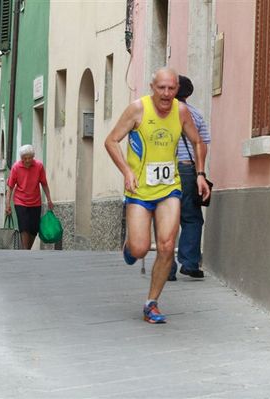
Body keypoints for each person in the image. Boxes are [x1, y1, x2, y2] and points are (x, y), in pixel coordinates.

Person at [104, 67, 211, 324]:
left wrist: (199, 173)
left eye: (171, 89)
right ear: (152, 87)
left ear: (177, 90)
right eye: (161, 88)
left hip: (169, 188)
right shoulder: (137, 109)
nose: (166, 94)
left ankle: (151, 303)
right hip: (139, 189)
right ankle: (130, 247)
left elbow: (198, 141)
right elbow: (111, 141)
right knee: (140, 248)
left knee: (166, 245)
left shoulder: (182, 112)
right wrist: (127, 171)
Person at [168, 75, 211, 281]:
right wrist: (200, 173)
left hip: (164, 169)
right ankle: (190, 262)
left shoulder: (162, 113)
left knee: (166, 217)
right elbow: (202, 145)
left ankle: (166, 267)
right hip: (187, 169)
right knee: (192, 217)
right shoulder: (196, 114)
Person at [5, 144, 54, 250]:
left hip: (35, 202)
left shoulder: (39, 166)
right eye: (24, 158)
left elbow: (44, 184)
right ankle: (25, 250)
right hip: (20, 201)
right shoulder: (16, 167)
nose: (27, 160)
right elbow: (10, 187)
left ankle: (26, 249)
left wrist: (49, 199)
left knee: (33, 229)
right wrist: (7, 204)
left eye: (29, 158)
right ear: (21, 158)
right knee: (24, 227)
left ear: (33, 157)